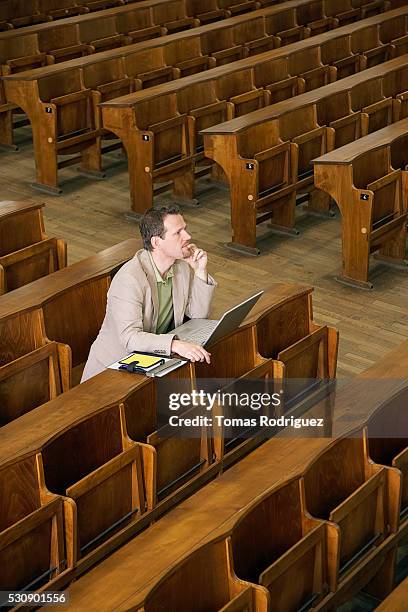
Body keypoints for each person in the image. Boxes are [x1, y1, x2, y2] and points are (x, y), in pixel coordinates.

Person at [81, 205, 217, 381]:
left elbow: (198, 316)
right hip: (113, 370)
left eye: (185, 229)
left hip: (150, 363)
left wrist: (200, 271)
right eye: (178, 233)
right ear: (156, 242)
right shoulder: (129, 279)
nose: (188, 236)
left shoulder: (181, 267)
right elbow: (130, 338)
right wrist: (175, 345)